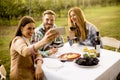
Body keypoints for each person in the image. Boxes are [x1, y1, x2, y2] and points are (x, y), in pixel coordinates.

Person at [9, 16, 59, 80]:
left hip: (30, 73)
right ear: (21, 28)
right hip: (20, 76)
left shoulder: (26, 39)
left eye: (33, 28)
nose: (32, 31)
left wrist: (38, 66)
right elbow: (25, 52)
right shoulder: (17, 40)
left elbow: (37, 53)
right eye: (29, 28)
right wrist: (43, 41)